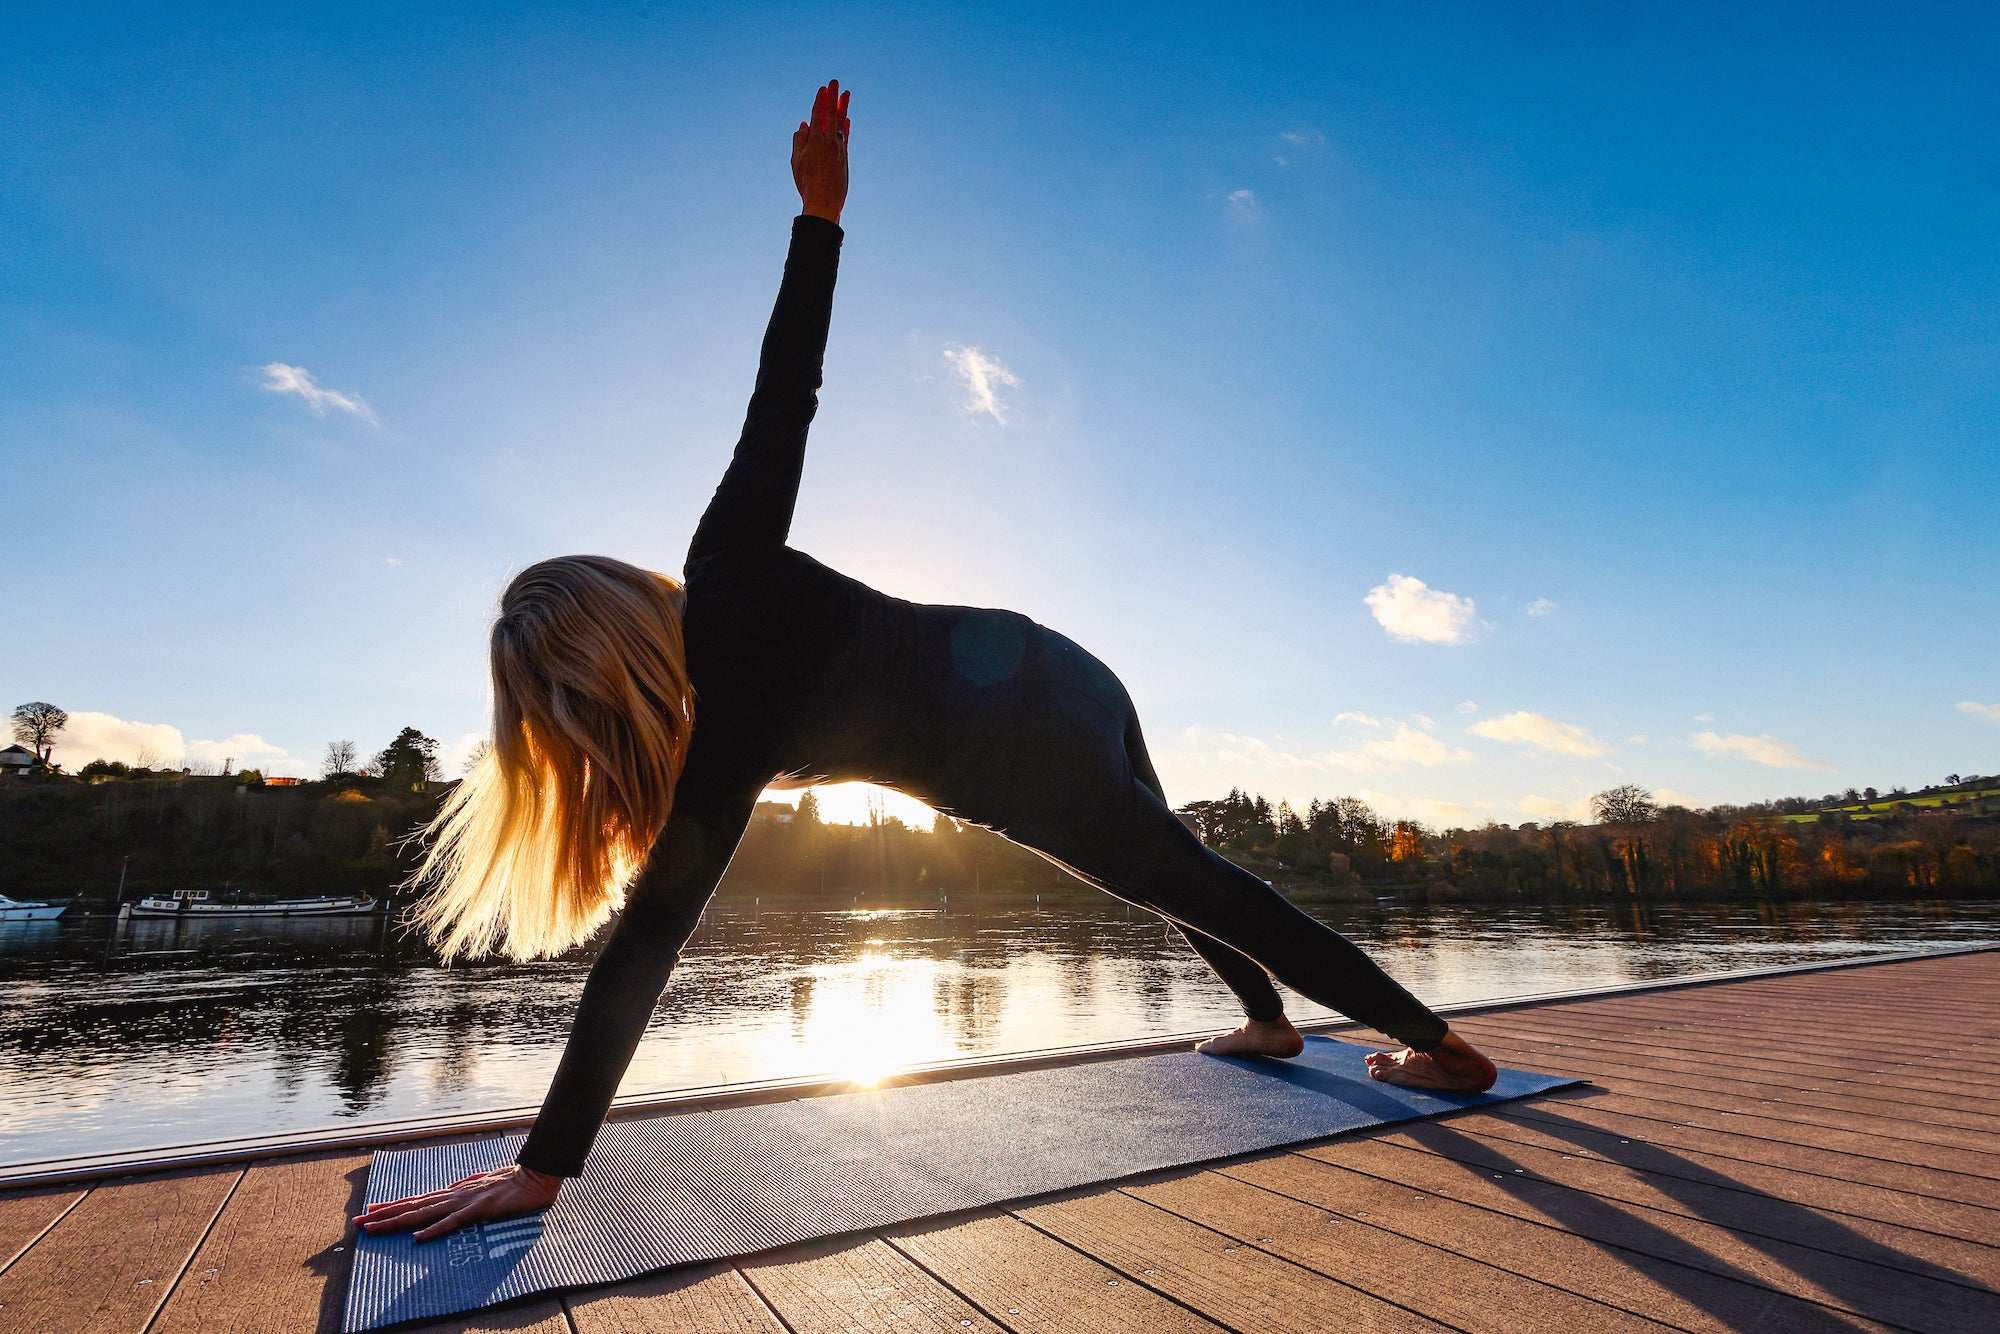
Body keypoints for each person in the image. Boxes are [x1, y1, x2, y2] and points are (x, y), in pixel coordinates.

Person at [356, 81, 1498, 1244]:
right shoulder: (725, 567)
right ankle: (1269, 1023)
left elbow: (645, 947)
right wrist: (819, 214)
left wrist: (546, 1166)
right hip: (1047, 656)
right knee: (1164, 862)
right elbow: (781, 396)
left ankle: (1446, 1052)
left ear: (582, 697)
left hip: (1016, 738)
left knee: (1173, 872)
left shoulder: (722, 728)